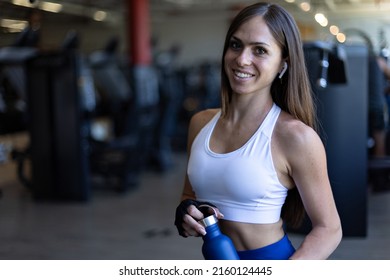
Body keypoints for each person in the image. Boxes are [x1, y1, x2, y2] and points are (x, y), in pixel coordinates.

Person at [174, 2, 342, 260]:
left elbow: (329, 229)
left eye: (260, 50)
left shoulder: (296, 137)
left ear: (282, 65)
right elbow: (191, 195)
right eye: (235, 45)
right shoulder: (200, 123)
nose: (242, 59)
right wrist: (186, 212)